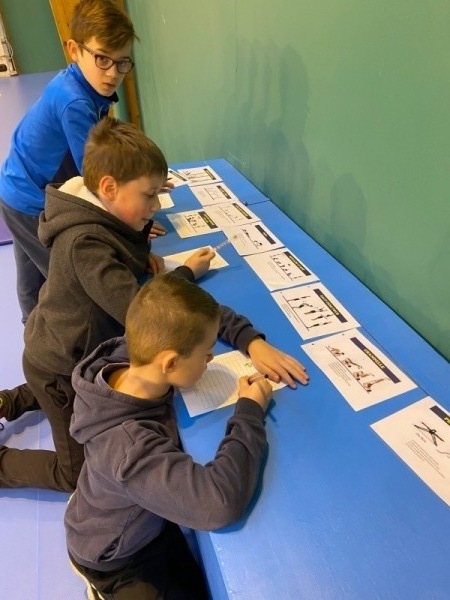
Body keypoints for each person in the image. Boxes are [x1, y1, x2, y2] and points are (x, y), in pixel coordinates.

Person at [0, 117, 309, 492]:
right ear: (109, 188)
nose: (157, 205)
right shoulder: (85, 244)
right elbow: (159, 314)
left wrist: (150, 257)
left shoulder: (103, 214)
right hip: (60, 363)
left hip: (75, 348)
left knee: (58, 389)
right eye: (149, 196)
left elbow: (128, 261)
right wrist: (246, 337)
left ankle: (8, 401)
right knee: (74, 475)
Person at [66, 273, 274, 600]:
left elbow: (194, 316)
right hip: (118, 555)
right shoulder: (130, 448)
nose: (210, 360)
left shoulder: (131, 352)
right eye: (206, 354)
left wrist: (250, 340)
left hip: (133, 512)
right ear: (171, 362)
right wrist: (249, 411)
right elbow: (218, 504)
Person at [0, 0, 160, 323]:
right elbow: (94, 178)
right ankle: (52, 338)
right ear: (74, 50)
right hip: (29, 198)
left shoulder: (81, 83)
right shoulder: (74, 101)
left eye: (122, 62)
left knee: (30, 273)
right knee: (68, 279)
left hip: (15, 187)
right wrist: (135, 223)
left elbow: (102, 149)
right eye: (103, 59)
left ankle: (32, 327)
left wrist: (138, 183)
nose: (113, 73)